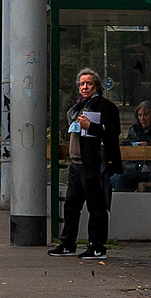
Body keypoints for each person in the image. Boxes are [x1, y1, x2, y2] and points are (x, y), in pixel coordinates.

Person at [50, 67, 122, 260]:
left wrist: (92, 127)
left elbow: (113, 132)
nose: (85, 87)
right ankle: (67, 243)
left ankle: (97, 246)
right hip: (76, 162)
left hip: (93, 163)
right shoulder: (78, 107)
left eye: (89, 83)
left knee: (96, 206)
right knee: (71, 205)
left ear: (96, 85)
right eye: (82, 84)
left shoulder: (105, 106)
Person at [113, 100, 151, 193]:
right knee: (118, 178)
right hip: (133, 167)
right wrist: (136, 145)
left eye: (146, 115)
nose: (142, 118)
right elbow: (125, 143)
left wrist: (149, 147)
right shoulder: (134, 129)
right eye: (139, 115)